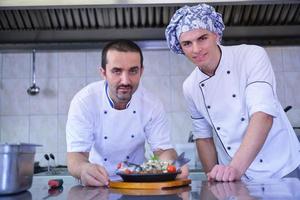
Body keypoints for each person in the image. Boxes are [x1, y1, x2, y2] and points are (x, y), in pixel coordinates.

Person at [165, 3, 300, 182]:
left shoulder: (251, 56)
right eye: (187, 43)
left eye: (202, 38)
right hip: (238, 180)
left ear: (216, 35)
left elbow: (263, 115)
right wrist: (214, 178)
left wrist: (234, 169)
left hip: (282, 168)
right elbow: (203, 137)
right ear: (180, 47)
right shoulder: (190, 86)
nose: (196, 49)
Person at [66, 39, 188, 186]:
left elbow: (163, 151)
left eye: (133, 71)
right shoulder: (84, 101)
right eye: (117, 71)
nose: (125, 81)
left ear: (141, 71)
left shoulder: (152, 105)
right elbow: (76, 157)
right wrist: (83, 169)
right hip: (97, 185)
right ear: (103, 73)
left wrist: (172, 165)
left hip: (136, 186)